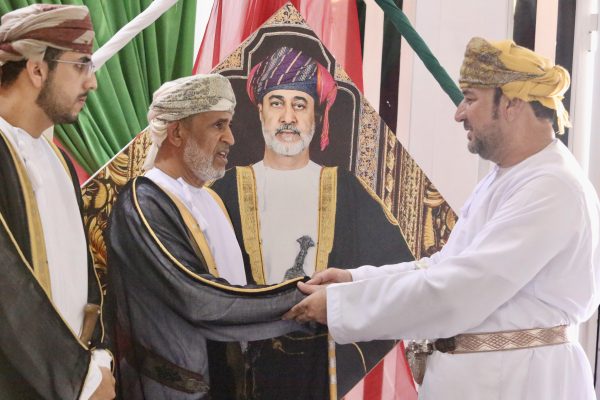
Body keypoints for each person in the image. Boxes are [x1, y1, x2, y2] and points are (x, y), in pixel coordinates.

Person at [285, 37, 600, 399]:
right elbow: (445, 267)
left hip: (520, 385)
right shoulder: (512, 176)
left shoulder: (551, 187)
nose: (459, 113)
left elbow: (458, 291)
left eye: (470, 98)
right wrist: (354, 281)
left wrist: (341, 305)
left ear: (512, 104)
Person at [211, 46, 414, 399]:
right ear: (260, 111)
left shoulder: (346, 190)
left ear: (316, 116)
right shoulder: (224, 190)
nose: (288, 117)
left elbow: (395, 274)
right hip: (245, 369)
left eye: (300, 105)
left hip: (323, 366)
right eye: (277, 103)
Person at [106, 73, 309, 400]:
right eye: (218, 125)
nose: (230, 138)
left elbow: (234, 292)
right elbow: (198, 299)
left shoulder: (211, 200)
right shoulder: (143, 202)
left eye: (228, 125)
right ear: (177, 132)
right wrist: (303, 301)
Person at [0, 4, 115, 400]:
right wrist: (79, 379)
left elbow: (84, 274)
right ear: (37, 70)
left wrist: (98, 356)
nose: (92, 82)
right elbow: (8, 291)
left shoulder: (59, 160)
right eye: (81, 65)